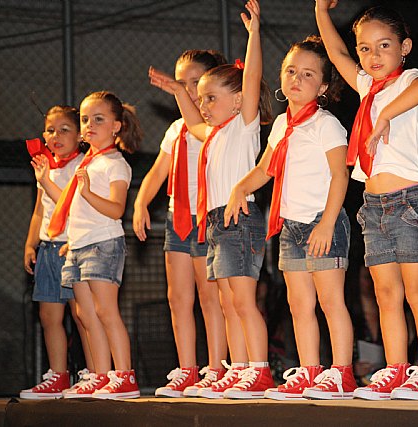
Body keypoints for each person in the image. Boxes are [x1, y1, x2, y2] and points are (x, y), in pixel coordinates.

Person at [316, 2, 418, 400]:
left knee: (417, 291)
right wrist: (321, 10)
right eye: (365, 48)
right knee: (385, 294)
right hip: (374, 207)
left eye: (384, 45)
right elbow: (335, 52)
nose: (373, 55)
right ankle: (396, 369)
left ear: (404, 47)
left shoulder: (408, 79)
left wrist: (386, 114)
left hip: (410, 202)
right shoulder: (365, 86)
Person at [149, 0, 273, 399]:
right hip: (216, 222)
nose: (203, 106)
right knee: (227, 300)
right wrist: (177, 91)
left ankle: (259, 369)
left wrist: (255, 34)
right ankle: (238, 368)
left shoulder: (243, 126)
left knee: (243, 300)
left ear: (237, 100)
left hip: (240, 218)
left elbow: (251, 78)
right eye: (200, 99)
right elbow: (191, 121)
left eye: (210, 98)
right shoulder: (212, 134)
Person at [225, 35, 356, 400]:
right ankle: (310, 371)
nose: (297, 79)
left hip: (322, 222)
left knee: (330, 301)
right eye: (291, 71)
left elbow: (340, 175)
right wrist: (239, 189)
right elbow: (265, 168)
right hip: (291, 226)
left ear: (324, 86)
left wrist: (327, 223)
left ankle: (342, 373)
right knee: (299, 305)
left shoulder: (326, 124)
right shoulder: (282, 124)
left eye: (308, 74)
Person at [134, 50, 230, 398]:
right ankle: (187, 369)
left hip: (206, 217)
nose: (187, 90)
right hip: (178, 219)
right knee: (177, 297)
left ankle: (216, 368)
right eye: (181, 83)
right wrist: (141, 202)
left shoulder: (215, 127)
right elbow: (158, 170)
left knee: (209, 296)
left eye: (195, 83)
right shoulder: (175, 130)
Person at [54, 91, 144, 399]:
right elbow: (77, 209)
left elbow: (116, 209)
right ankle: (101, 375)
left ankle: (125, 376)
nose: (89, 125)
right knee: (84, 314)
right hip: (79, 245)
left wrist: (88, 192)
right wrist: (71, 240)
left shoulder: (115, 164)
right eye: (84, 119)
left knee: (106, 311)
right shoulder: (87, 162)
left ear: (116, 127)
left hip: (103, 244)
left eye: (98, 119)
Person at [20, 105, 94, 399]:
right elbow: (40, 210)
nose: (56, 136)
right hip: (48, 249)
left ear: (79, 135)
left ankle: (94, 372)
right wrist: (31, 243)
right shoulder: (45, 167)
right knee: (49, 316)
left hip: (72, 247)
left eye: (64, 129)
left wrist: (46, 180)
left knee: (82, 315)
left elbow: (71, 204)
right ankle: (58, 375)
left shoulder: (83, 165)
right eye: (51, 130)